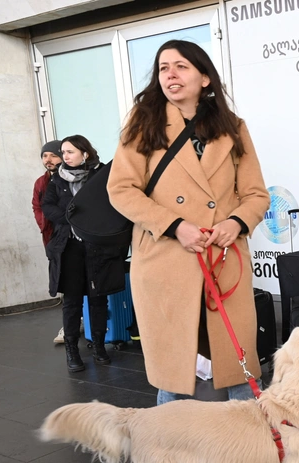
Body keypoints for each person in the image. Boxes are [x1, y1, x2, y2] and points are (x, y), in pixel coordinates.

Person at [108, 40, 270, 404]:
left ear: (205, 78)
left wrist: (237, 222)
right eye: (163, 68)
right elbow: (120, 189)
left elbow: (256, 195)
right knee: (175, 369)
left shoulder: (233, 127)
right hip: (168, 259)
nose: (170, 74)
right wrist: (175, 225)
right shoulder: (143, 124)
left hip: (223, 259)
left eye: (180, 66)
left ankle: (249, 452)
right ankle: (169, 452)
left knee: (237, 363)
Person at [41, 135, 127, 373]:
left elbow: (113, 206)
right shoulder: (57, 180)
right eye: (63, 152)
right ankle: (72, 351)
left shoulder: (101, 176)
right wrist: (72, 220)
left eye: (69, 152)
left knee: (98, 298)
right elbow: (48, 207)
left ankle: (99, 347)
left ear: (85, 153)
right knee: (71, 301)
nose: (64, 157)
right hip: (68, 248)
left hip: (97, 247)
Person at [32, 140, 67, 344]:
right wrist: (44, 225)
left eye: (53, 155)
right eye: (45, 156)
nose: (48, 160)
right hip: (53, 237)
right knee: (61, 279)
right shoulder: (41, 182)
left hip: (72, 235)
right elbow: (37, 206)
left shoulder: (70, 178)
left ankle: (84, 320)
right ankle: (72, 322)